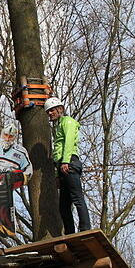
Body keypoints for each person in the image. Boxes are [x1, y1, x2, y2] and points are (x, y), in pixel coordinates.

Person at [45, 96, 91, 234]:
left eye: (52, 110)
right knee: (63, 206)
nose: (50, 113)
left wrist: (66, 162)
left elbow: (69, 141)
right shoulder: (58, 126)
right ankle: (70, 233)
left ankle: (85, 229)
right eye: (48, 112)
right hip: (62, 166)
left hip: (69, 162)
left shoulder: (68, 122)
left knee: (77, 197)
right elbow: (57, 152)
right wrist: (57, 175)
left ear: (60, 109)